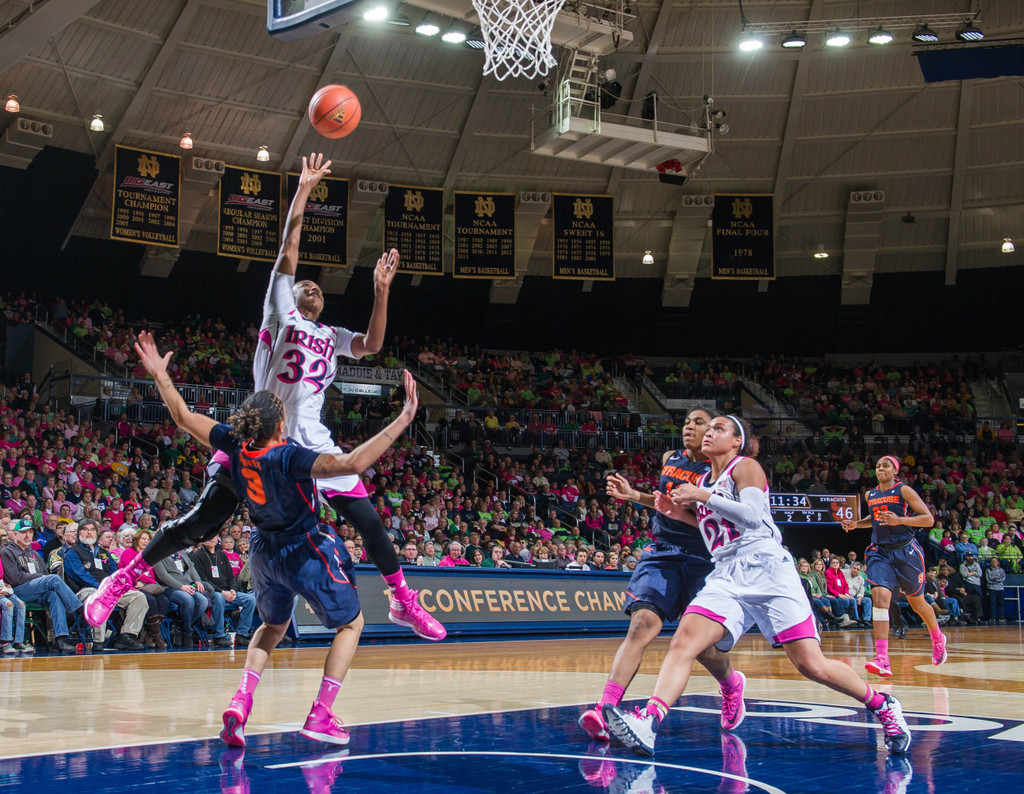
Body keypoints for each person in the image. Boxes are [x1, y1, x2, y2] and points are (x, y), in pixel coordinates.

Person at [84, 153, 444, 643]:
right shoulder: (280, 317)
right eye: (301, 284)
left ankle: (403, 601)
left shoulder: (334, 335)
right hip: (258, 435)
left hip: (307, 441)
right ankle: (121, 579)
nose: (310, 284)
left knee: (370, 522)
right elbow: (288, 251)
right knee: (203, 522)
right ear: (289, 296)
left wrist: (381, 291)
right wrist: (303, 190)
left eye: (316, 287)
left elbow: (375, 346)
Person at [131, 329, 419, 747]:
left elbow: (181, 416)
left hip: (262, 551)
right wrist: (403, 418)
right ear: (283, 424)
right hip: (303, 549)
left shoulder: (235, 445)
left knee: (272, 625)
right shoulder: (291, 456)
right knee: (352, 624)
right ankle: (320, 715)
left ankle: (241, 700)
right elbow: (355, 461)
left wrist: (161, 375)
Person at [603, 416, 910, 757]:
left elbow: (750, 516)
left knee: (811, 665)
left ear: (736, 441)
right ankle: (649, 721)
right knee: (684, 641)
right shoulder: (704, 478)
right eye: (710, 427)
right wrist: (674, 513)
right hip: (726, 570)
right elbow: (710, 523)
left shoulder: (745, 467)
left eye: (719, 428)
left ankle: (883, 704)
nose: (710, 432)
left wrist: (702, 495)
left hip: (766, 566)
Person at [578, 409, 746, 745]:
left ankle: (731, 683)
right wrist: (633, 496)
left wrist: (678, 513)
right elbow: (663, 505)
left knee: (701, 649)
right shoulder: (672, 458)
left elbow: (722, 523)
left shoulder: (724, 473)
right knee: (642, 624)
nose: (690, 426)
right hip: (664, 552)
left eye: (699, 422)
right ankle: (605, 707)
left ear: (715, 432)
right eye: (687, 421)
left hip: (706, 558)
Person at [842, 455, 947, 678]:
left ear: (894, 470)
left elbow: (928, 519)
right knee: (880, 599)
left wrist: (900, 520)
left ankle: (937, 637)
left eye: (886, 466)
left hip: (906, 551)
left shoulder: (904, 491)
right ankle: (882, 658)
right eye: (878, 466)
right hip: (880, 551)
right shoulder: (871, 494)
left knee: (917, 603)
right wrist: (856, 524)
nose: (881, 469)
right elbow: (876, 519)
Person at [63, 518, 147, 651]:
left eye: (92, 530)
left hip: (108, 590)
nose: (89, 533)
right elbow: (80, 575)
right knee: (99, 597)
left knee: (138, 597)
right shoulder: (73, 552)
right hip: (85, 591)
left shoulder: (103, 553)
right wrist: (103, 588)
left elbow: (115, 573)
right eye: (85, 530)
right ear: (79, 533)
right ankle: (99, 641)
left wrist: (117, 587)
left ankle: (126, 635)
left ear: (97, 533)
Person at [0, 519, 82, 653]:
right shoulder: (7, 552)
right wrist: (40, 578)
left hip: (37, 591)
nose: (27, 536)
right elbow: (15, 578)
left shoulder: (35, 554)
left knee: (54, 595)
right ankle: (79, 609)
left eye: (30, 532)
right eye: (23, 532)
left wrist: (42, 579)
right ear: (15, 535)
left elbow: (44, 573)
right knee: (53, 579)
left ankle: (60, 639)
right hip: (18, 592)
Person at [191, 537, 257, 643]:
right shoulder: (197, 556)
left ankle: (242, 634)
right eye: (209, 536)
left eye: (214, 536)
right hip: (210, 592)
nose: (211, 539)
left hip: (227, 591)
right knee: (219, 597)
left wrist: (232, 591)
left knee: (250, 599)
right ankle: (219, 634)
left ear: (217, 538)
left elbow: (231, 577)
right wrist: (222, 592)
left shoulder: (222, 555)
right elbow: (203, 580)